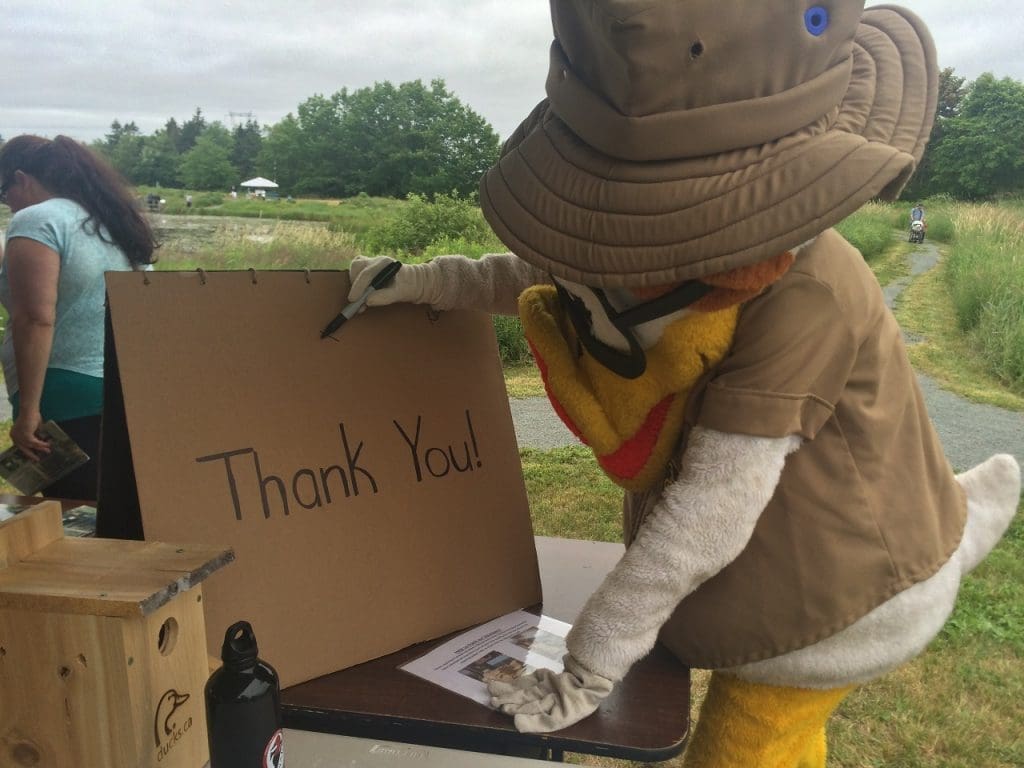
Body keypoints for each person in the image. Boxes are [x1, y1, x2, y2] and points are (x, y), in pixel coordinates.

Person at [347, 2, 1021, 766]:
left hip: (838, 590)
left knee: (747, 743)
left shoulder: (810, 296)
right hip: (765, 571)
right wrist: (424, 284)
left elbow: (714, 508)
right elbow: (550, 275)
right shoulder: (630, 248)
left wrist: (588, 668)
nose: (631, 242)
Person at [0, 135, 157, 500]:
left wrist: (27, 412)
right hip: (115, 384)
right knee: (101, 506)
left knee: (67, 512)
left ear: (22, 178)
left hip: (58, 390)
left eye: (3, 191)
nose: (6, 203)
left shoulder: (37, 220)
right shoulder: (109, 220)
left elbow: (35, 319)